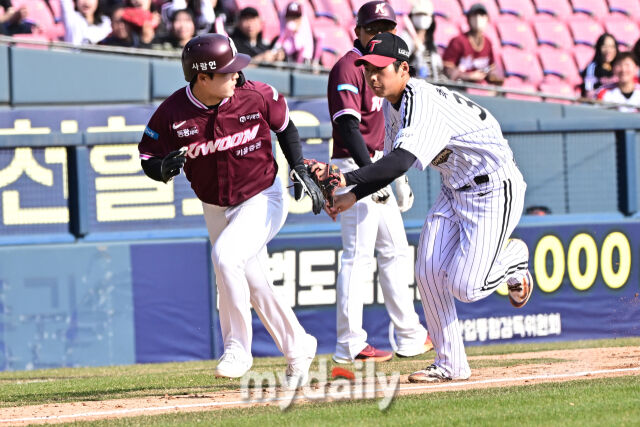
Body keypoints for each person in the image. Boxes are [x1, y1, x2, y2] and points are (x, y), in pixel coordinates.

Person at [323, 32, 533, 382]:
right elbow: (389, 166)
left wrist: (345, 179)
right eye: (368, 69)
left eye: (380, 69)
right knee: (428, 272)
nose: (372, 77)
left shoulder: (421, 102)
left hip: (495, 187)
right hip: (455, 188)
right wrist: (352, 196)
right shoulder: (393, 105)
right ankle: (451, 364)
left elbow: (400, 163)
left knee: (466, 287)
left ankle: (515, 260)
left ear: (404, 69)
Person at [138, 34, 323, 388]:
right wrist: (160, 168)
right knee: (255, 281)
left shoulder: (256, 95)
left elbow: (285, 127)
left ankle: (237, 347)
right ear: (202, 77)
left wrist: (298, 166)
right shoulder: (173, 112)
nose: (237, 75)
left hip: (262, 196)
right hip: (214, 204)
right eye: (227, 71)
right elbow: (148, 154)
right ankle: (299, 346)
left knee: (225, 258)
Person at [327, 0, 431, 364]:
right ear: (357, 31)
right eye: (372, 28)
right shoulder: (349, 65)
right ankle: (349, 343)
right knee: (358, 255)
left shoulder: (386, 68)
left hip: (376, 163)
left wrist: (392, 173)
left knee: (396, 251)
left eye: (386, 28)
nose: (379, 33)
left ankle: (410, 335)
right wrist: (371, 175)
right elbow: (348, 127)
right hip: (352, 164)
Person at [442, 3, 502, 85]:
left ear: (487, 19)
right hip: (459, 88)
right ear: (468, 19)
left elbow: (491, 69)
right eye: (474, 15)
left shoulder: (488, 42)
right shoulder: (458, 41)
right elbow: (447, 72)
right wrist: (469, 76)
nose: (478, 19)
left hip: (480, 88)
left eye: (482, 15)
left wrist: (494, 77)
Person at [400, 0, 443, 81]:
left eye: (425, 14)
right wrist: (414, 52)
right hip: (413, 83)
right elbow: (400, 65)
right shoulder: (405, 38)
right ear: (412, 16)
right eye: (418, 14)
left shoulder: (431, 42)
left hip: (432, 84)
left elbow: (438, 68)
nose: (422, 17)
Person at [580, 33, 618, 99]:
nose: (608, 50)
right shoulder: (592, 68)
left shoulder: (619, 67)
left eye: (612, 47)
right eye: (604, 46)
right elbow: (589, 92)